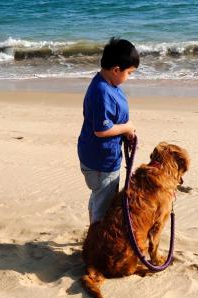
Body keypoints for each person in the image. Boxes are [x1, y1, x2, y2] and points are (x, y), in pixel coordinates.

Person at [77, 37, 139, 224]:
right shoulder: (101, 92)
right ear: (115, 70)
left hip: (96, 156)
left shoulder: (109, 83)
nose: (129, 77)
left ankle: (92, 231)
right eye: (129, 72)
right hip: (101, 161)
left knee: (99, 196)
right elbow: (102, 131)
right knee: (104, 206)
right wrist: (127, 127)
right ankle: (96, 238)